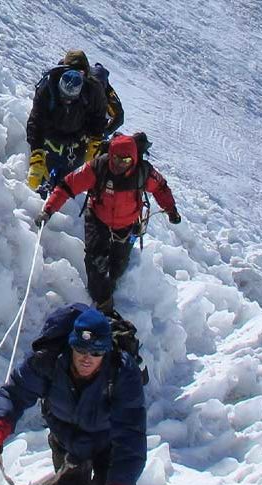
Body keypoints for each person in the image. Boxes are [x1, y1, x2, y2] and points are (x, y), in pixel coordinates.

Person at [0, 305, 147, 485]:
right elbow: (15, 393)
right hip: (67, 440)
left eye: (96, 352)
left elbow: (131, 436)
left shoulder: (121, 373)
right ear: (70, 345)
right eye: (80, 349)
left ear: (107, 352)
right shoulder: (48, 362)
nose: (86, 358)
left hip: (109, 443)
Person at [34, 132, 181, 313]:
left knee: (117, 267)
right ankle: (102, 303)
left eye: (125, 161)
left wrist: (171, 210)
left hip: (126, 224)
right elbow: (68, 185)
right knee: (96, 260)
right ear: (110, 156)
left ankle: (108, 288)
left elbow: (160, 187)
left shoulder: (143, 172)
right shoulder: (99, 167)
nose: (119, 165)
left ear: (133, 159)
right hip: (98, 217)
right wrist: (48, 210)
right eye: (116, 159)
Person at [26, 50, 109, 194]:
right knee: (40, 186)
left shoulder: (94, 90)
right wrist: (37, 155)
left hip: (77, 146)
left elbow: (98, 119)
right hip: (49, 144)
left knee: (66, 189)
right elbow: (36, 121)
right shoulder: (48, 86)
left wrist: (94, 142)